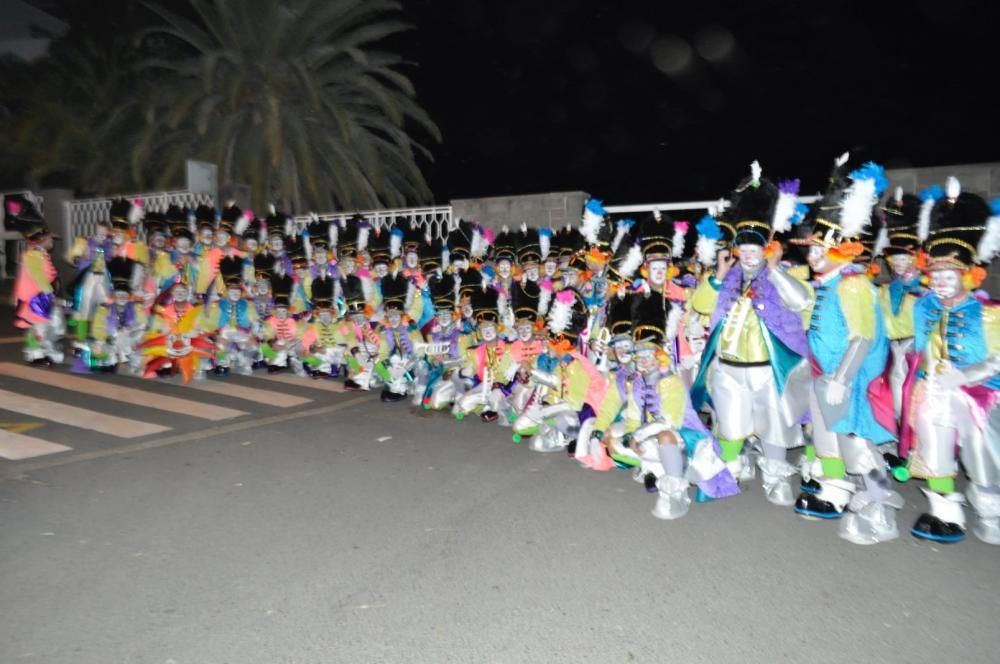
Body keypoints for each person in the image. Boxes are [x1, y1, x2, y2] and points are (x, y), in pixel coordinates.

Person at [790, 156, 901, 545]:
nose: (812, 255)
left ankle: (878, 501)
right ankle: (835, 489)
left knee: (854, 443)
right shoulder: (825, 285)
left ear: (840, 249)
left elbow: (862, 338)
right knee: (824, 437)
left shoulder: (853, 285)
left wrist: (841, 378)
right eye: (811, 249)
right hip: (824, 375)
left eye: (819, 248)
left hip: (847, 380)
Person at [690, 162, 814, 505]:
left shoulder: (784, 272)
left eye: (753, 250)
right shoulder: (727, 277)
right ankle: (731, 467)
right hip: (729, 367)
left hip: (766, 367)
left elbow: (802, 300)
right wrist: (715, 277)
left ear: (766, 249)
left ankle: (775, 476)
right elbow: (701, 304)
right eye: (742, 250)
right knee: (730, 425)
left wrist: (775, 273)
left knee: (774, 425)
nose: (747, 255)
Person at [903, 177, 1000, 545]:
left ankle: (990, 514)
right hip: (932, 390)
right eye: (936, 275)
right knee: (934, 449)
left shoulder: (990, 313)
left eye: (949, 275)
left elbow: (998, 360)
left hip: (977, 396)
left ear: (970, 275)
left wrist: (965, 377)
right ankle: (945, 512)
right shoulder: (924, 305)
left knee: (981, 456)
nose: (941, 282)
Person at [8, 194, 64, 366]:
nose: (52, 241)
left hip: (37, 296)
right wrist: (50, 294)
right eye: (49, 238)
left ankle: (35, 353)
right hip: (38, 298)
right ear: (42, 239)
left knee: (38, 327)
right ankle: (38, 353)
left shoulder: (37, 253)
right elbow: (39, 277)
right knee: (42, 327)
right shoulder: (34, 255)